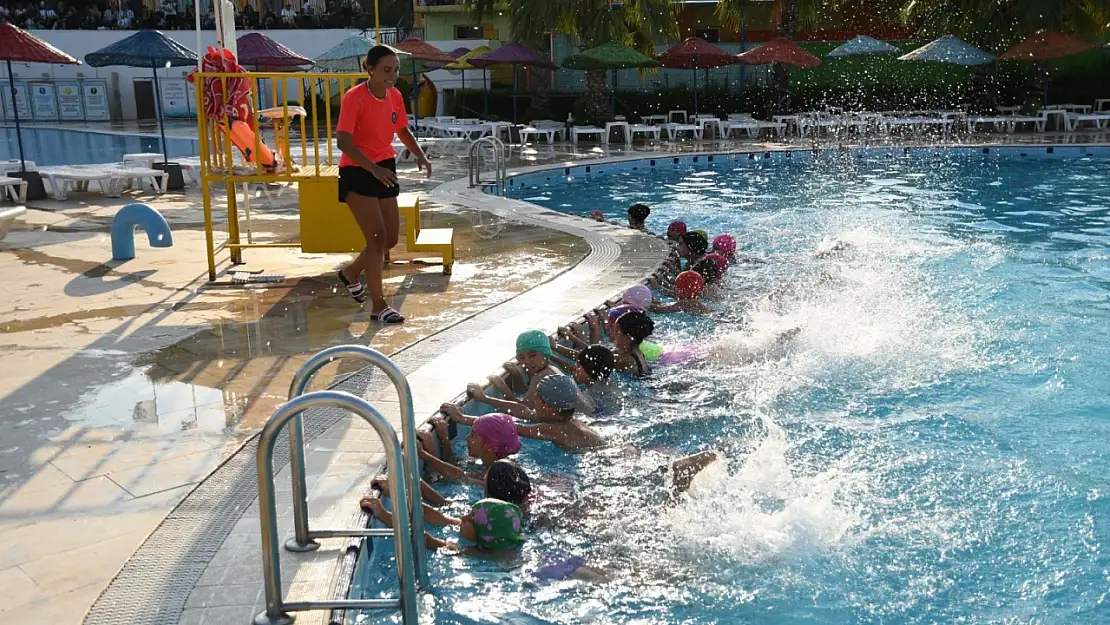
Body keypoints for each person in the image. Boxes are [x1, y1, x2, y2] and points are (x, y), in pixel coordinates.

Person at [335, 45, 431, 322]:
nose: (392, 75)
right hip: (358, 170)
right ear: (371, 69)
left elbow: (401, 129)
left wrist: (419, 153)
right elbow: (343, 140)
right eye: (387, 70)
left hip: (384, 167)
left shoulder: (395, 96)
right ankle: (378, 306)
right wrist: (372, 168)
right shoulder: (355, 98)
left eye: (396, 70)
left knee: (389, 239)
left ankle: (351, 273)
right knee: (376, 239)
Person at [451, 375, 606, 452]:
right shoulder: (561, 416)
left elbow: (507, 426)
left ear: (546, 405)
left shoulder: (555, 429)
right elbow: (523, 411)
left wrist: (461, 418)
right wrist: (485, 398)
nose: (533, 402)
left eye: (536, 398)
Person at [363, 496, 525, 552]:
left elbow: (425, 539)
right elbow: (435, 516)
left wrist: (383, 516)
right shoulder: (476, 531)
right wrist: (395, 491)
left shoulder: (482, 552)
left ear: (484, 536)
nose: (463, 516)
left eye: (470, 518)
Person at [418, 412, 521, 484]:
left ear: (488, 446)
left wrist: (426, 454)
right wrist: (445, 439)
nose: (467, 438)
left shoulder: (497, 476)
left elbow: (440, 478)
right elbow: (453, 465)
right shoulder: (494, 462)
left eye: (473, 435)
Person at [610, 310, 654, 377]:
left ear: (628, 338)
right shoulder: (638, 353)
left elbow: (598, 359)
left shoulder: (625, 360)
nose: (613, 335)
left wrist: (595, 329)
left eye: (617, 332)